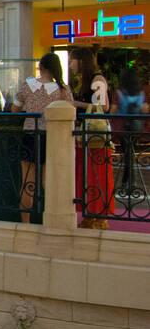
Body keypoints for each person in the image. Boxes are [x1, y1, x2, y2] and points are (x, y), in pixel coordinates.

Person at [11, 53, 74, 223]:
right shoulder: (63, 90)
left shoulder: (27, 86)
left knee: (27, 182)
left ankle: (26, 222)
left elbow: (14, 109)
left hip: (30, 135)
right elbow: (70, 111)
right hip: (53, 138)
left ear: (41, 67)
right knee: (50, 181)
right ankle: (53, 219)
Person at [70, 46, 113, 227]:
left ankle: (99, 216)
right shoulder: (87, 80)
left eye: (72, 60)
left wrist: (74, 103)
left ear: (81, 61)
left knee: (97, 175)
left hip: (95, 136)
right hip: (85, 136)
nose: (70, 64)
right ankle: (90, 213)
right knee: (87, 175)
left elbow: (103, 106)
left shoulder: (97, 79)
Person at [113, 68, 147, 193]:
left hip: (123, 128)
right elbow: (144, 109)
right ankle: (129, 182)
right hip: (137, 128)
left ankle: (127, 182)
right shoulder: (140, 93)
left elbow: (113, 111)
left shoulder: (119, 93)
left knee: (127, 155)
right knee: (130, 155)